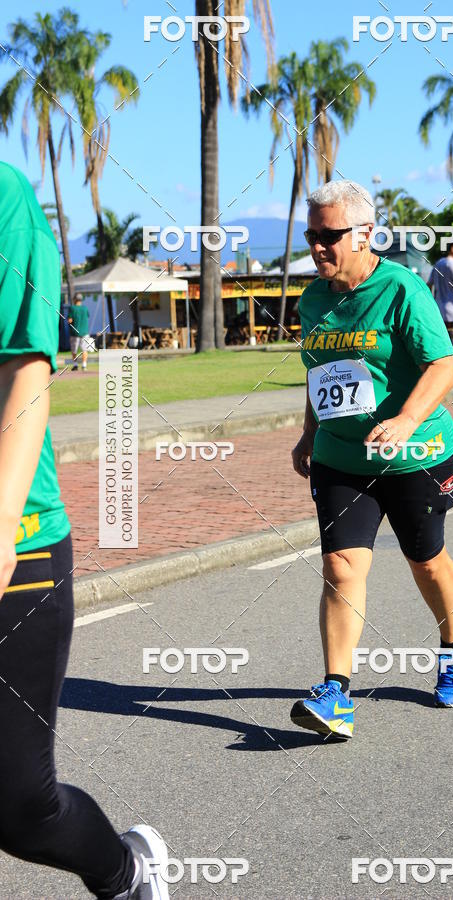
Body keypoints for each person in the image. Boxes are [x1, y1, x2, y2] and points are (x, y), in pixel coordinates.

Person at [0, 161, 169, 899]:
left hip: (20, 542)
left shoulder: (4, 197)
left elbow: (25, 367)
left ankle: (125, 871)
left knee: (18, 807)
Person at [290, 180, 453, 741]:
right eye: (311, 235)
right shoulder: (312, 299)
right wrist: (309, 433)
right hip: (342, 457)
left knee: (426, 562)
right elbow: (320, 373)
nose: (318, 246)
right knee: (340, 566)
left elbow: (443, 364)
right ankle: (336, 693)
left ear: (365, 234)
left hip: (417, 454)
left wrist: (406, 421)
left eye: (329, 235)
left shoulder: (401, 288)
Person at [68, 292, 91, 371]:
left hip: (75, 333)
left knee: (74, 350)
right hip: (85, 332)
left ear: (75, 299)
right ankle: (84, 365)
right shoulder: (85, 308)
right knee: (84, 349)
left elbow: (70, 320)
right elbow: (87, 317)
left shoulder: (72, 308)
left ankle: (75, 365)